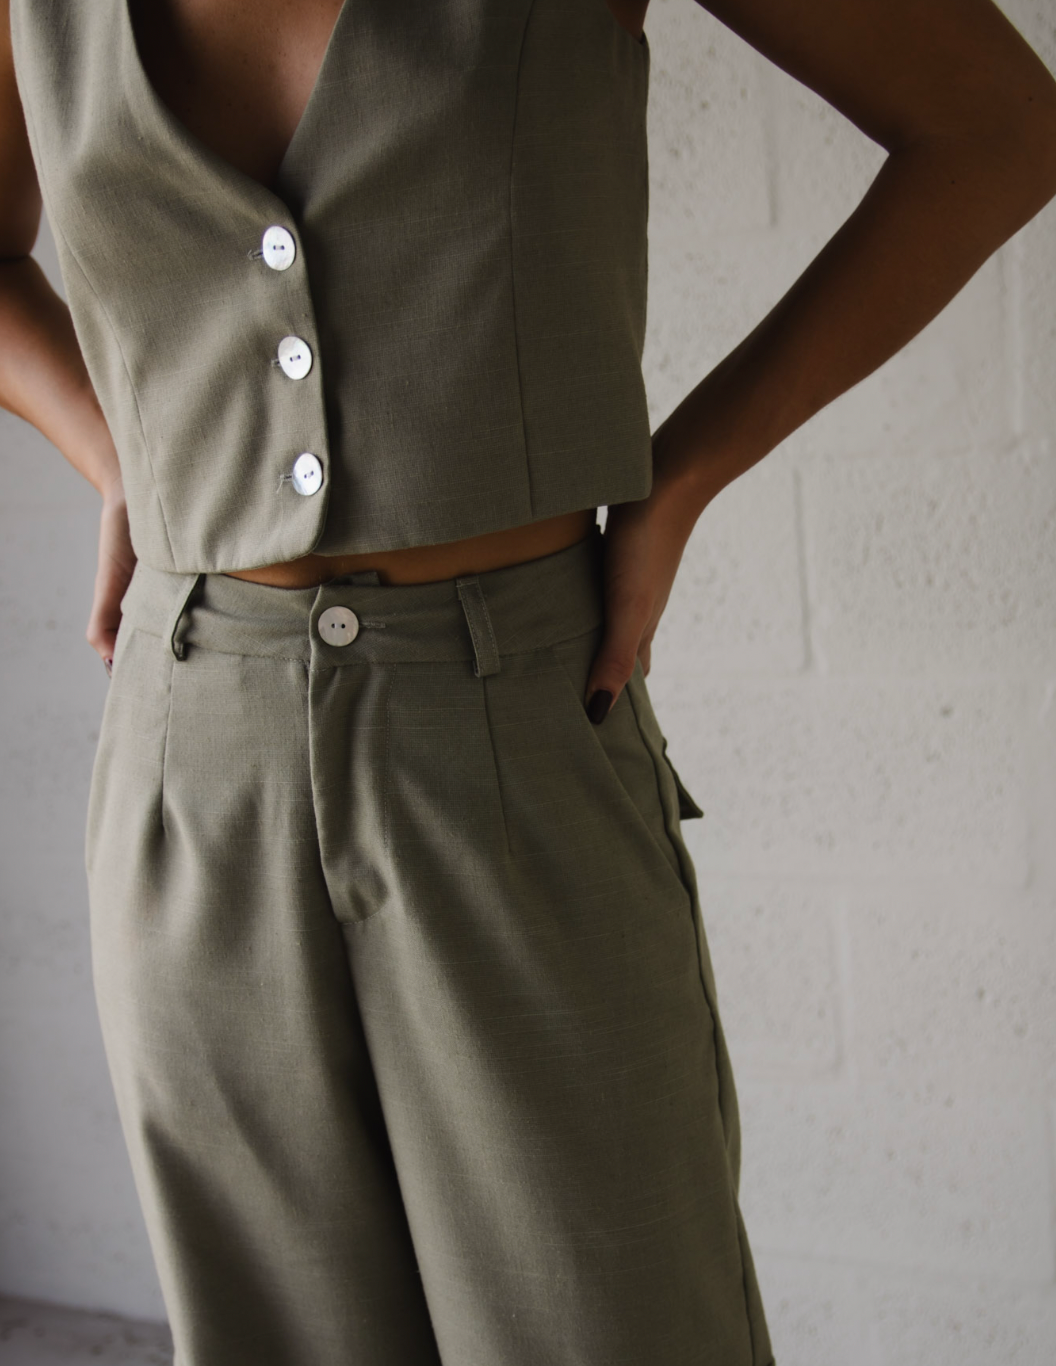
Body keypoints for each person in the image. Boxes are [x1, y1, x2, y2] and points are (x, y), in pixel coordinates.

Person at [2, 0, 1054, 1362]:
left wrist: (683, 473)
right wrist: (119, 452)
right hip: (191, 755)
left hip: (515, 730)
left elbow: (998, 128)